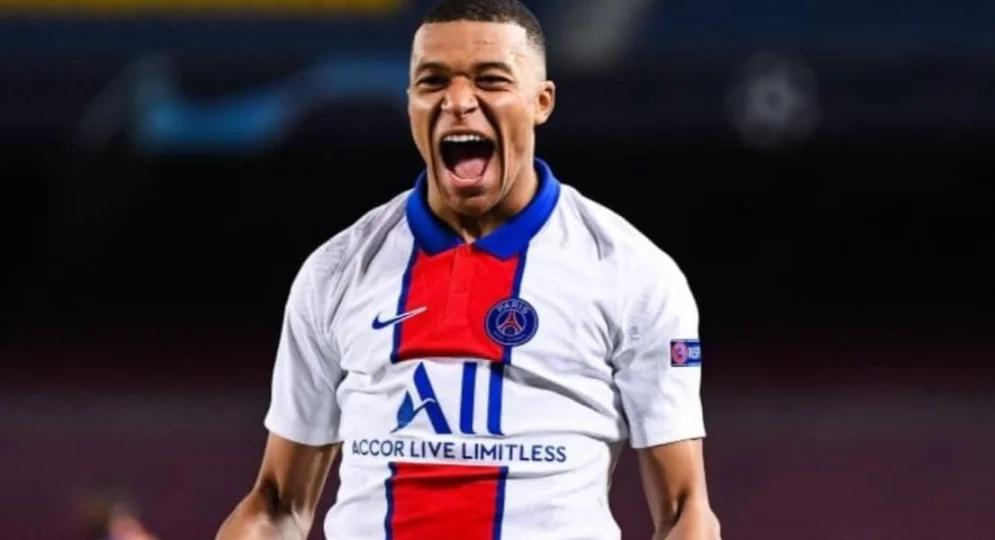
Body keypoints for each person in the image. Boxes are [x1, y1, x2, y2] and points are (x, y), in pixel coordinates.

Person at [216, 0, 720, 539]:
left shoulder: (631, 273)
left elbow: (683, 511)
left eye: (490, 80)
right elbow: (278, 503)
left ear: (541, 101)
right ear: (410, 103)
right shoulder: (337, 271)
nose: (457, 101)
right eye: (433, 82)